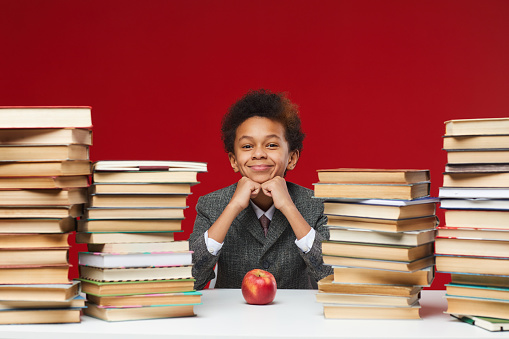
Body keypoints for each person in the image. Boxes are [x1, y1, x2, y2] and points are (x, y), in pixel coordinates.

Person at [189, 89, 332, 290]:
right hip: (233, 317)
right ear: (234, 161)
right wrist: (233, 207)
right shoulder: (211, 205)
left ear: (291, 158)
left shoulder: (316, 205)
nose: (258, 154)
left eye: (271, 145)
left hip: (298, 317)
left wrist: (289, 208)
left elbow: (331, 276)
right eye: (247, 146)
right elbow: (190, 278)